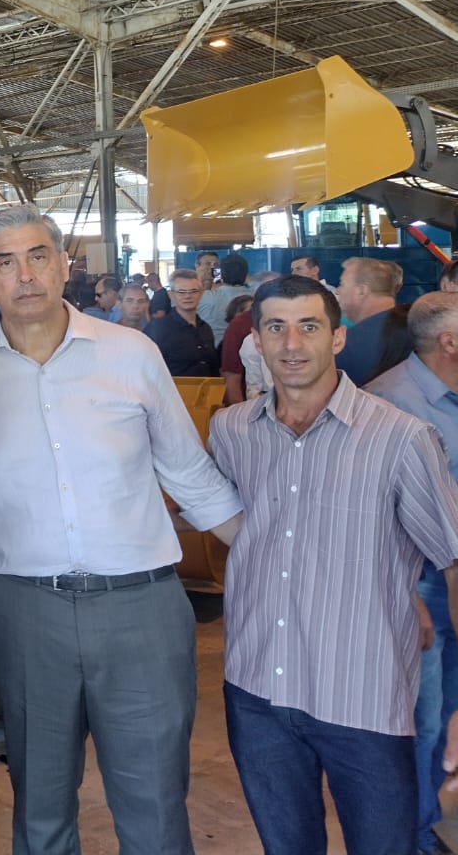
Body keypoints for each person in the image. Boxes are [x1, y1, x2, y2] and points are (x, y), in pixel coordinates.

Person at [0, 203, 243, 855]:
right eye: (6, 262)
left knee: (154, 804)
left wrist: (269, 559)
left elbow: (188, 472)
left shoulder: (129, 354)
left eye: (38, 255)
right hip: (22, 608)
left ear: (64, 264)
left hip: (141, 607)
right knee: (40, 803)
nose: (25, 275)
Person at [209, 276, 458, 855]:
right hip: (258, 691)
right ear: (256, 342)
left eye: (309, 326)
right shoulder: (232, 431)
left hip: (361, 697)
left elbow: (452, 560)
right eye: (276, 328)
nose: (292, 344)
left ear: (338, 338)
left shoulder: (400, 437)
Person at [368, 294, 458, 855]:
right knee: (419, 721)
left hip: (452, 579)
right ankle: (417, 835)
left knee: (447, 715)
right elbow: (371, 516)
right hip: (420, 584)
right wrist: (408, 595)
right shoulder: (390, 404)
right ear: (449, 342)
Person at [336, 256, 404, 385]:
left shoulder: (347, 346)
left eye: (342, 284)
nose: (338, 291)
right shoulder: (417, 328)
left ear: (361, 291)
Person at [148, 268, 220, 376]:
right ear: (171, 295)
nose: (187, 296)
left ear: (201, 294)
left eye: (193, 291)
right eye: (181, 292)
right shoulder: (157, 329)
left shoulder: (205, 328)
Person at [223, 271, 280, 403]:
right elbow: (231, 373)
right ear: (255, 294)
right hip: (256, 399)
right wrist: (238, 410)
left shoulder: (291, 319)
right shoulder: (240, 324)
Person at [199, 254, 250, 345]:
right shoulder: (257, 297)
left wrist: (201, 281)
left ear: (221, 274)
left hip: (213, 350)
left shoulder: (204, 297)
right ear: (246, 276)